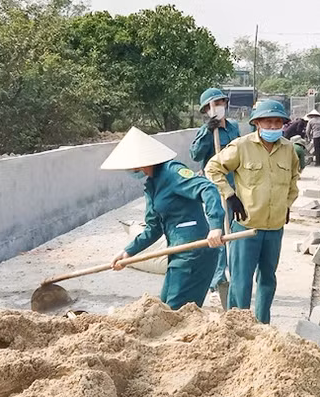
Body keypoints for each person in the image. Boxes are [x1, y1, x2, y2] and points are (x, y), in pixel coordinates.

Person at [103, 127, 225, 310]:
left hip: (195, 251)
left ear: (140, 161)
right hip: (177, 253)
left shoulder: (173, 172)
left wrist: (215, 225)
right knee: (165, 308)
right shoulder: (152, 186)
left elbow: (207, 188)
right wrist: (128, 252)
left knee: (177, 313)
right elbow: (153, 227)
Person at [205, 99, 300, 324]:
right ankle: (238, 326)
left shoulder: (289, 150)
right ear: (257, 123)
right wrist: (229, 195)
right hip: (246, 226)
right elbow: (213, 168)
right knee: (241, 281)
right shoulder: (242, 146)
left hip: (275, 227)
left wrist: (287, 204)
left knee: (268, 279)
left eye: (278, 122)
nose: (274, 127)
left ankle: (262, 326)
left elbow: (294, 180)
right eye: (268, 122)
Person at [189, 88, 241, 301]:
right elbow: (195, 155)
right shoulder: (206, 131)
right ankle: (217, 278)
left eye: (220, 103)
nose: (218, 107)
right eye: (213, 104)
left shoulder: (234, 128)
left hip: (233, 186)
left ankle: (231, 275)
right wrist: (207, 133)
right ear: (206, 110)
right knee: (217, 231)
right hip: (213, 188)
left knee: (233, 230)